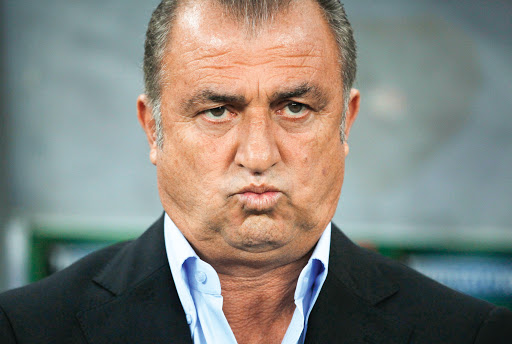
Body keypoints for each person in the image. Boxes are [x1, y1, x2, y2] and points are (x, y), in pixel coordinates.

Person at [1, 0, 511, 343]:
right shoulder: (23, 330)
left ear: (345, 122)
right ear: (152, 129)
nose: (259, 154)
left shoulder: (470, 334)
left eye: (294, 107)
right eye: (217, 111)